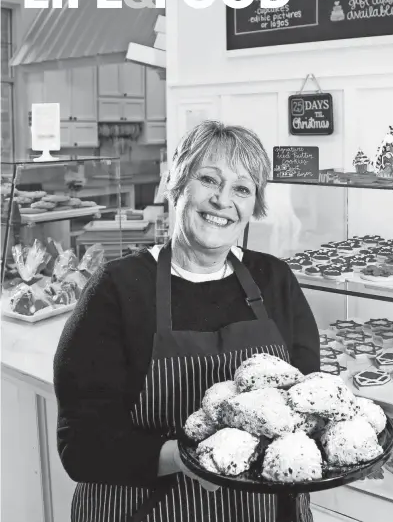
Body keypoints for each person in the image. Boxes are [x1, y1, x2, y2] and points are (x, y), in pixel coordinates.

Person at [54, 121, 320, 522]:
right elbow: (81, 444)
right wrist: (185, 458)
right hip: (147, 508)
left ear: (253, 207)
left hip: (264, 511)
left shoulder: (274, 279)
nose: (222, 200)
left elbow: (306, 403)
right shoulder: (119, 288)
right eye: (209, 179)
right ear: (176, 184)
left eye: (242, 189)